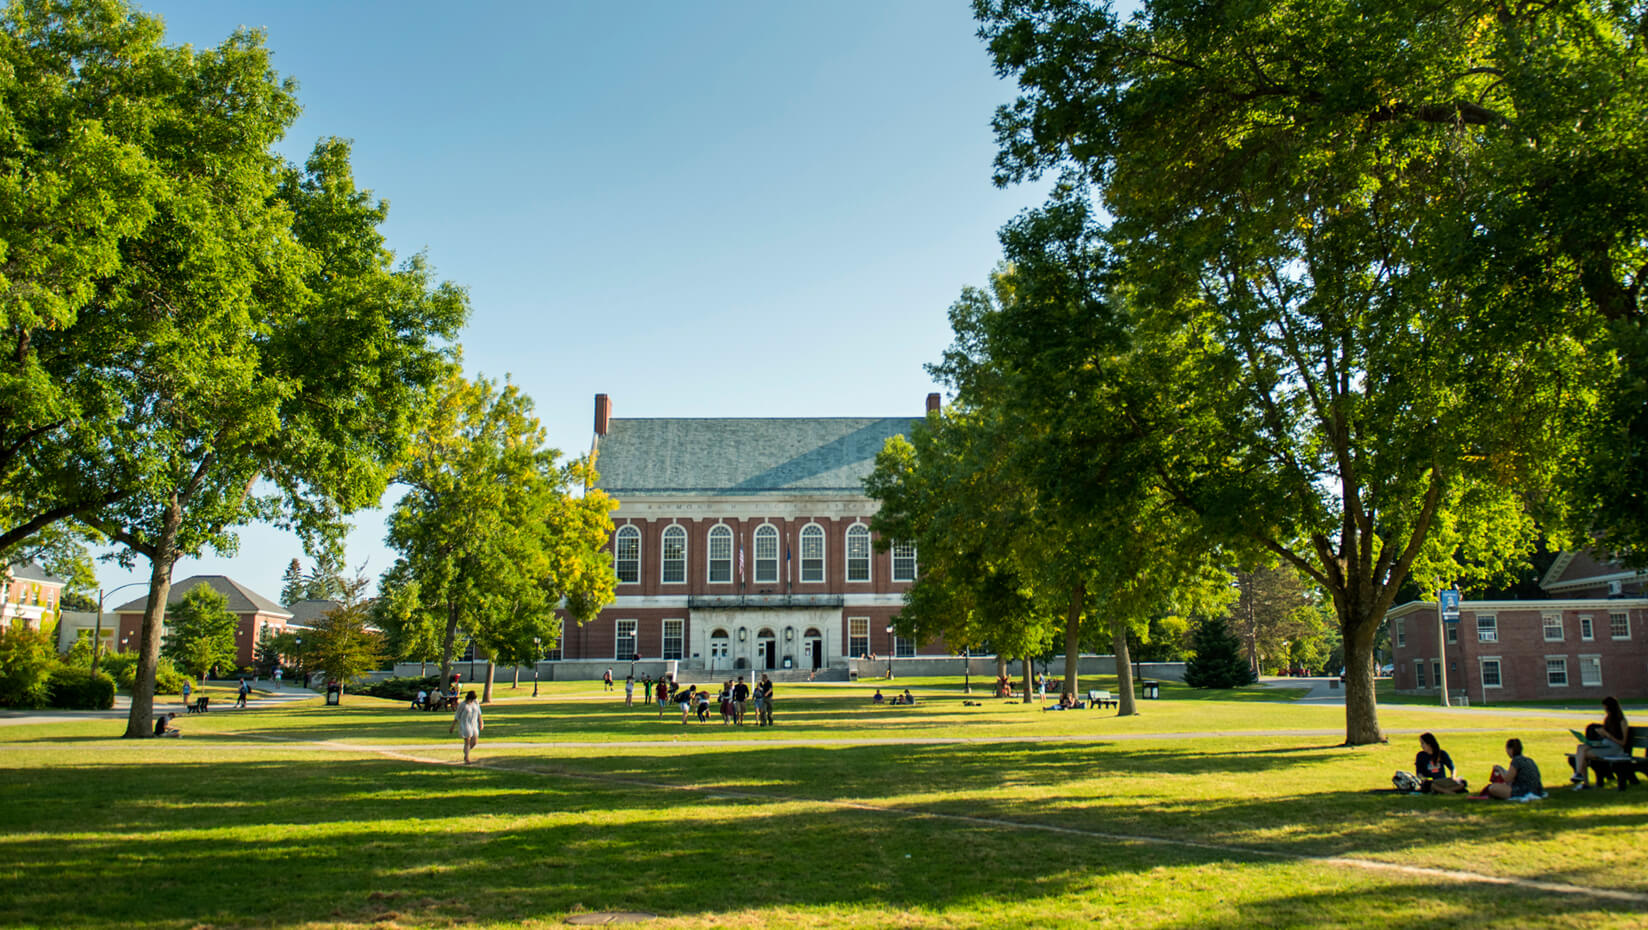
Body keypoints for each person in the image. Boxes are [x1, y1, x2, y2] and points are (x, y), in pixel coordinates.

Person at [1571, 696, 1629, 789]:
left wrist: (1607, 735)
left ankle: (1582, 779)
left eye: (1606, 708)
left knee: (1582, 754)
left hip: (1615, 748)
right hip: (1604, 745)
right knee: (1581, 748)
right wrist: (1600, 734)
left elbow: (1623, 743)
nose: (1605, 711)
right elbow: (1605, 735)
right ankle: (1579, 775)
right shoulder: (1608, 719)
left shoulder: (1622, 722)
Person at [449, 690, 484, 763]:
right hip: (465, 724)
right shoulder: (463, 704)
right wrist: (452, 726)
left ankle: (466, 752)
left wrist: (481, 722)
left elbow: (479, 713)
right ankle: (467, 758)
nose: (472, 701)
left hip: (474, 724)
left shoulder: (475, 702)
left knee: (474, 741)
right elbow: (457, 715)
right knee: (467, 741)